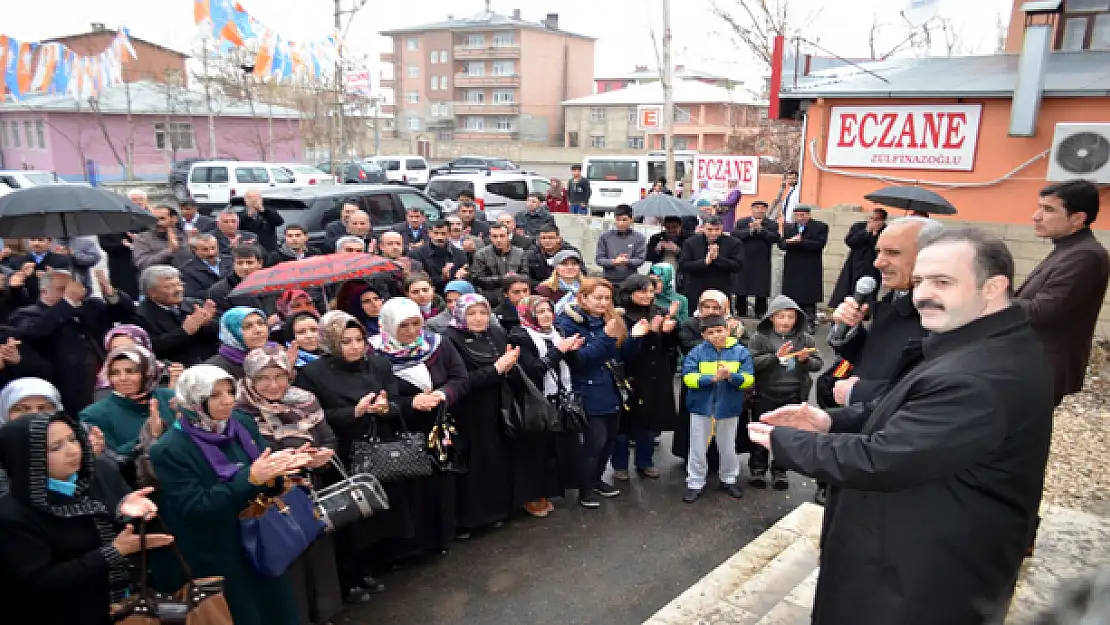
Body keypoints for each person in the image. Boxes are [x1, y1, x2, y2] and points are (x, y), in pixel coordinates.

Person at [750, 227, 1055, 625]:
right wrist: (827, 420)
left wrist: (788, 442)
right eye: (922, 280)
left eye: (942, 281)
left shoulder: (981, 375)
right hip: (908, 557)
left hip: (917, 581)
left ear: (993, 287)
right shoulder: (970, 343)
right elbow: (906, 411)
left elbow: (883, 458)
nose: (924, 292)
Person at [150, 365, 311, 625]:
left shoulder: (241, 423)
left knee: (279, 611)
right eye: (215, 395)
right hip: (220, 551)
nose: (228, 400)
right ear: (194, 400)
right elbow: (196, 508)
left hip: (262, 536)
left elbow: (263, 469)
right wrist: (249, 479)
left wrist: (283, 469)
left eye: (229, 391)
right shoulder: (170, 449)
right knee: (245, 614)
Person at [0, 412, 169, 625]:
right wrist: (113, 552)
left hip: (120, 607)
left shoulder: (98, 474)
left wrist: (126, 511)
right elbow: (39, 581)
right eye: (55, 447)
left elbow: (121, 533)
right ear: (27, 458)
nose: (72, 450)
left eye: (72, 439)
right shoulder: (13, 514)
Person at [292, 313, 397, 599]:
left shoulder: (378, 364)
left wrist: (386, 407)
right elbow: (312, 416)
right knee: (348, 515)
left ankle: (371, 569)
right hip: (342, 452)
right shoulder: (313, 373)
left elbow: (398, 401)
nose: (354, 347)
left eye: (359, 340)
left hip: (378, 448)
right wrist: (354, 412)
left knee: (376, 510)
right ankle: (349, 578)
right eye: (345, 341)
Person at [235, 346, 343, 622]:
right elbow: (253, 457)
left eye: (279, 376)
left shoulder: (305, 400)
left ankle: (324, 612)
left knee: (317, 557)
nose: (273, 385)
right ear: (250, 379)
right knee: (287, 560)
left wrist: (323, 456)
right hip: (272, 501)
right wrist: (292, 460)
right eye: (263, 378)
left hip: (309, 492)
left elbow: (328, 437)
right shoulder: (240, 412)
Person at [364, 300, 468, 560]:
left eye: (415, 324)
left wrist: (444, 394)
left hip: (438, 423)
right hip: (401, 428)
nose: (411, 332)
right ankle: (410, 547)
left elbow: (460, 378)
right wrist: (411, 403)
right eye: (403, 326)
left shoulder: (438, 345)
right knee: (410, 485)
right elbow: (376, 396)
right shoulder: (374, 356)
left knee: (440, 483)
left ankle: (441, 537)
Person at [1015, 180, 1110, 406]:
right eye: (1039, 207)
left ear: (1078, 218)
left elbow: (1043, 311)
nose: (1036, 216)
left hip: (1044, 367)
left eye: (1048, 210)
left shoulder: (1084, 256)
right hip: (1032, 363)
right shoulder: (1067, 249)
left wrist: (992, 295)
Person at [557, 278, 649, 508]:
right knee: (593, 442)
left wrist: (635, 338)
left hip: (612, 388)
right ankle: (584, 488)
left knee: (609, 440)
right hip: (586, 390)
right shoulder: (569, 323)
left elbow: (622, 355)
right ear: (583, 298)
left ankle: (596, 479)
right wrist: (606, 337)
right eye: (598, 298)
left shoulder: (612, 319)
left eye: (607, 298)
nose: (603, 303)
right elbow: (580, 360)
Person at [443, 294, 519, 533]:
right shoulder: (449, 339)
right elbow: (460, 380)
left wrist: (507, 368)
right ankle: (470, 519)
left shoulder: (495, 334)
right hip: (468, 411)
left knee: (496, 460)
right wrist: (496, 369)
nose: (478, 319)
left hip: (497, 406)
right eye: (472, 313)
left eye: (483, 313)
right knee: (474, 464)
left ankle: (497, 510)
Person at [10, 269, 134, 413]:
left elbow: (125, 314)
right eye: (62, 289)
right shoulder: (28, 314)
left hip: (105, 380)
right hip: (66, 385)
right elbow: (34, 332)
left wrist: (110, 293)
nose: (72, 293)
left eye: (71, 288)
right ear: (44, 292)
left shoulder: (90, 306)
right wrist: (66, 302)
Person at [506, 295, 585, 518]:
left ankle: (553, 490)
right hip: (536, 402)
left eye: (548, 310)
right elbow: (532, 371)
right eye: (539, 312)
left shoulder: (556, 332)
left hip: (561, 398)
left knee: (558, 448)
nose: (546, 315)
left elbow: (574, 366)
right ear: (528, 314)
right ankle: (532, 497)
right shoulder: (520, 336)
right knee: (536, 452)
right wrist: (558, 350)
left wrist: (572, 350)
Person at [743, 295, 822, 491]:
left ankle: (780, 471)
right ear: (772, 318)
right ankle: (758, 469)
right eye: (781, 316)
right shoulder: (760, 338)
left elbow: (818, 364)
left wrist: (805, 360)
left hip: (793, 394)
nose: (786, 321)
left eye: (790, 317)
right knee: (760, 432)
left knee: (786, 435)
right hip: (765, 393)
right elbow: (750, 363)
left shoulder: (804, 339)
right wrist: (774, 358)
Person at [680, 315, 754, 503]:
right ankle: (695, 482)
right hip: (701, 408)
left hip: (728, 408)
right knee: (697, 447)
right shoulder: (696, 353)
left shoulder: (740, 352)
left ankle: (729, 478)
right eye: (710, 333)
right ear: (704, 335)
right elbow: (688, 378)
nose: (716, 336)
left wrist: (731, 376)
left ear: (727, 330)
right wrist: (711, 379)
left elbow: (749, 379)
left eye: (719, 331)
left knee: (728, 446)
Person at [611, 275, 679, 481]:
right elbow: (624, 351)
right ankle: (620, 465)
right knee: (623, 425)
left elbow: (670, 348)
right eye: (641, 291)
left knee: (648, 423)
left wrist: (668, 332)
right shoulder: (620, 316)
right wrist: (647, 333)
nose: (647, 296)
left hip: (655, 375)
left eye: (650, 291)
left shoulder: (659, 312)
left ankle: (645, 461)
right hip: (630, 375)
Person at [79, 345, 175, 480]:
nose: (122, 378)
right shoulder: (94, 415)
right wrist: (146, 436)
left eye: (131, 371)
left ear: (147, 372)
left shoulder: (170, 398)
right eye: (115, 373)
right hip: (137, 487)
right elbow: (110, 462)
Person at [135, 265, 221, 366]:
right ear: (151, 292)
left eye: (179, 284)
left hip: (210, 365)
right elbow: (152, 348)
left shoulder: (195, 305)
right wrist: (184, 331)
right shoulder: (139, 316)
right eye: (169, 287)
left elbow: (222, 333)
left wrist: (207, 324)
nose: (178, 290)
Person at [778, 206, 828, 330]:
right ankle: (792, 322)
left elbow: (819, 244)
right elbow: (782, 244)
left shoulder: (820, 226)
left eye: (803, 215)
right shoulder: (789, 227)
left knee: (809, 296)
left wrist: (800, 242)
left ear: (808, 215)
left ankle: (809, 322)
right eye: (798, 215)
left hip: (810, 266)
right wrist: (790, 241)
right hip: (792, 266)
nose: (800, 218)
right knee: (792, 296)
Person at [828, 208, 886, 309]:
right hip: (854, 264)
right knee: (847, 289)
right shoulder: (859, 226)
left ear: (882, 221)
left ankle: (864, 315)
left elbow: (878, 248)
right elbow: (850, 241)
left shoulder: (885, 231)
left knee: (868, 294)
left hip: (872, 267)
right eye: (871, 218)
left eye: (877, 219)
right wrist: (866, 231)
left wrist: (875, 234)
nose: (873, 221)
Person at [678, 216, 744, 303]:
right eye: (709, 229)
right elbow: (683, 265)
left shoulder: (734, 243)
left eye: (717, 230)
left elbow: (737, 266)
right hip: (696, 285)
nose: (713, 233)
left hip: (722, 286)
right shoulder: (691, 242)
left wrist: (718, 259)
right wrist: (704, 262)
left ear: (722, 228)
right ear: (703, 228)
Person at [733, 201, 781, 317]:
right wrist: (750, 231)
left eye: (763, 208)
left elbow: (775, 238)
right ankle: (741, 310)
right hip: (744, 257)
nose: (760, 210)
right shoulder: (742, 222)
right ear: (752, 209)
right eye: (757, 208)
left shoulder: (771, 224)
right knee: (742, 286)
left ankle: (760, 311)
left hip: (762, 259)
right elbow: (735, 234)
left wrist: (761, 230)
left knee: (761, 286)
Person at [207, 306, 272, 379]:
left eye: (261, 323)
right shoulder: (214, 369)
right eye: (247, 326)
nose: (258, 330)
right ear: (231, 332)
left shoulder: (275, 356)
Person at [208, 244, 274, 315]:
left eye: (249, 262)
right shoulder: (219, 291)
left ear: (260, 263)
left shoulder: (273, 285)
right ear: (233, 264)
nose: (244, 267)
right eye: (239, 263)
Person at [471, 223, 528, 305]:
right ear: (490, 237)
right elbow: (477, 279)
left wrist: (514, 278)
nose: (498, 240)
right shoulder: (481, 254)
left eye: (502, 236)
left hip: (516, 295)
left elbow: (526, 276)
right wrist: (503, 279)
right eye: (495, 236)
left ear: (509, 236)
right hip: (491, 296)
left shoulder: (520, 253)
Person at [410, 221, 469, 292]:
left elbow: (467, 278)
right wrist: (442, 277)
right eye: (436, 233)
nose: (439, 237)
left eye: (443, 233)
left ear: (449, 234)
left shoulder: (459, 254)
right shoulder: (417, 254)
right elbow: (417, 282)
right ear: (429, 233)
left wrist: (460, 277)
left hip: (455, 294)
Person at [595, 204, 647, 284]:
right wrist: (614, 262)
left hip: (630, 281)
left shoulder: (639, 237)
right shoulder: (605, 237)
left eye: (624, 220)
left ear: (631, 219)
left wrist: (627, 261)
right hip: (609, 280)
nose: (620, 223)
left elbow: (640, 259)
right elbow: (599, 259)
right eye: (618, 220)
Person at [132, 205, 192, 271]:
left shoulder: (185, 236)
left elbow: (192, 261)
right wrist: (170, 250)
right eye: (154, 219)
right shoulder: (143, 238)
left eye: (162, 218)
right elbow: (142, 264)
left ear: (174, 219)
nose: (157, 223)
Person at [179, 233, 231, 299]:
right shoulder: (186, 270)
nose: (211, 253)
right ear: (195, 250)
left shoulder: (230, 261)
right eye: (205, 249)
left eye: (213, 248)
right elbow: (192, 294)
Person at [536, 249, 585, 314]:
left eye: (574, 264)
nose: (570, 267)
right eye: (564, 264)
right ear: (556, 267)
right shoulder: (544, 290)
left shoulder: (588, 288)